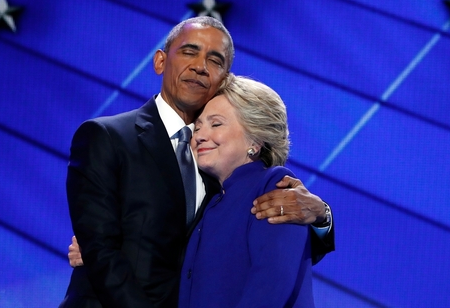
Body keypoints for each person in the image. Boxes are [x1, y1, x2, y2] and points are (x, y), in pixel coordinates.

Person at [60, 16, 333, 308]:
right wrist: (93, 246)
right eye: (190, 51)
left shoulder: (225, 163)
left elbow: (275, 247)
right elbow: (102, 251)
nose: (200, 66)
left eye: (215, 60)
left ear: (224, 78)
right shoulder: (107, 137)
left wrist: (322, 217)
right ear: (160, 62)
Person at [180, 74, 313, 307]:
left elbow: (271, 282)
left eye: (216, 124)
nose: (199, 136)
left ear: (255, 139)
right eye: (197, 126)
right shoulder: (212, 198)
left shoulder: (274, 185)